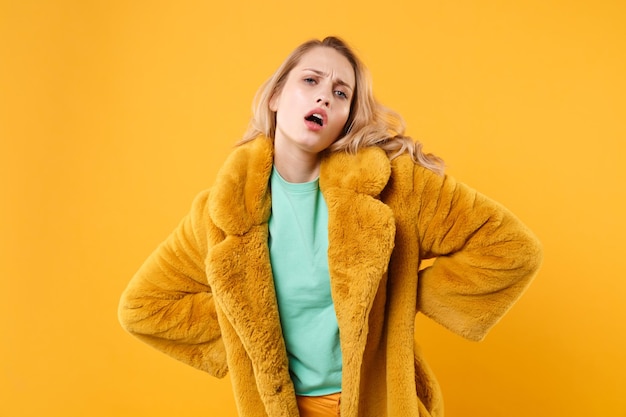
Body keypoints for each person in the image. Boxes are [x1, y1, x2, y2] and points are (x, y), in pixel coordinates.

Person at [118, 36, 543, 417]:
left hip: (379, 402)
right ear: (276, 95)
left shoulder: (397, 186)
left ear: (346, 118)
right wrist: (243, 330)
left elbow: (510, 248)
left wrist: (403, 297)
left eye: (340, 93)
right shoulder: (220, 211)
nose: (323, 98)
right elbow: (144, 308)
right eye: (310, 81)